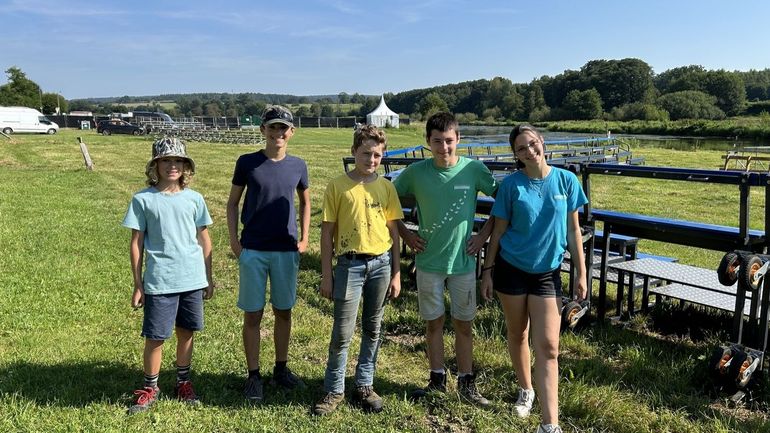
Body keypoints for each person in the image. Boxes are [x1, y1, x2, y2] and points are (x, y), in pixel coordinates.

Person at [480, 124, 588, 433]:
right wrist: (487, 272)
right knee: (518, 334)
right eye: (521, 148)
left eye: (532, 143)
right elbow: (498, 232)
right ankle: (526, 390)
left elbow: (573, 231)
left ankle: (550, 424)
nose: (529, 151)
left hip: (547, 274)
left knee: (549, 346)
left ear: (541, 142)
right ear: (516, 155)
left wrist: (581, 272)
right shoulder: (512, 185)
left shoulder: (566, 181)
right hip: (511, 269)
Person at [393, 112, 497, 406]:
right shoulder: (415, 173)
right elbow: (387, 200)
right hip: (428, 263)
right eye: (437, 141)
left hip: (463, 263)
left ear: (458, 140)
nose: (444, 147)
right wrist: (405, 234)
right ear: (427, 142)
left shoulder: (474, 170)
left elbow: (503, 201)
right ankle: (436, 380)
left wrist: (483, 235)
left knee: (464, 325)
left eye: (449, 141)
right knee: (433, 324)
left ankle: (467, 383)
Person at [312, 124, 403, 416]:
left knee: (373, 327)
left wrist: (397, 272)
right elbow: (327, 233)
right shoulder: (338, 186)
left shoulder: (386, 187)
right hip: (349, 265)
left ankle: (364, 384)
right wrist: (327, 274)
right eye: (366, 154)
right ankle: (333, 389)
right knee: (342, 331)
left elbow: (394, 231)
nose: (371, 160)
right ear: (354, 152)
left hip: (381, 264)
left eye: (377, 155)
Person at [122, 137, 214, 414]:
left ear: (185, 166)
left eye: (177, 161)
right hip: (160, 279)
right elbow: (136, 242)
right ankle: (151, 387)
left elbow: (205, 240)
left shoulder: (195, 199)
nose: (172, 166)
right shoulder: (143, 199)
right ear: (155, 166)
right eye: (165, 161)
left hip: (192, 278)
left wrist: (209, 277)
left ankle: (183, 382)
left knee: (186, 332)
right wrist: (138, 284)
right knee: (156, 336)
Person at [226, 105, 311, 403]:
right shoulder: (247, 162)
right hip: (254, 250)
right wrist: (235, 242)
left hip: (285, 250)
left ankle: (281, 368)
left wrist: (304, 238)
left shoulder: (299, 165)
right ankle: (253, 376)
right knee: (253, 313)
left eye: (283, 128)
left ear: (292, 132)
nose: (278, 133)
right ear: (263, 130)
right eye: (272, 127)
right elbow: (233, 203)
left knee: (283, 311)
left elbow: (305, 203)